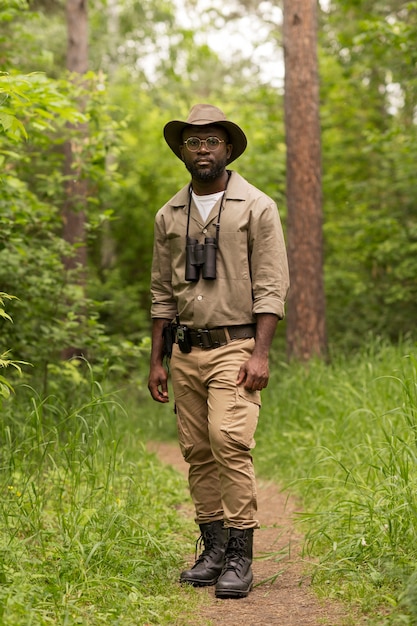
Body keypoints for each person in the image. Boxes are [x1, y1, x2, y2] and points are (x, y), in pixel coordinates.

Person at [148, 103, 289, 599]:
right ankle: (211, 550)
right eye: (193, 141)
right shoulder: (170, 213)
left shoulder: (257, 207)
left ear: (228, 148)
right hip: (185, 351)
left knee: (229, 441)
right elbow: (162, 292)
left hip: (236, 345)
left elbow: (272, 285)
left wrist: (261, 354)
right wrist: (157, 361)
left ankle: (239, 556)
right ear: (182, 151)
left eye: (211, 141)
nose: (202, 148)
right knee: (198, 451)